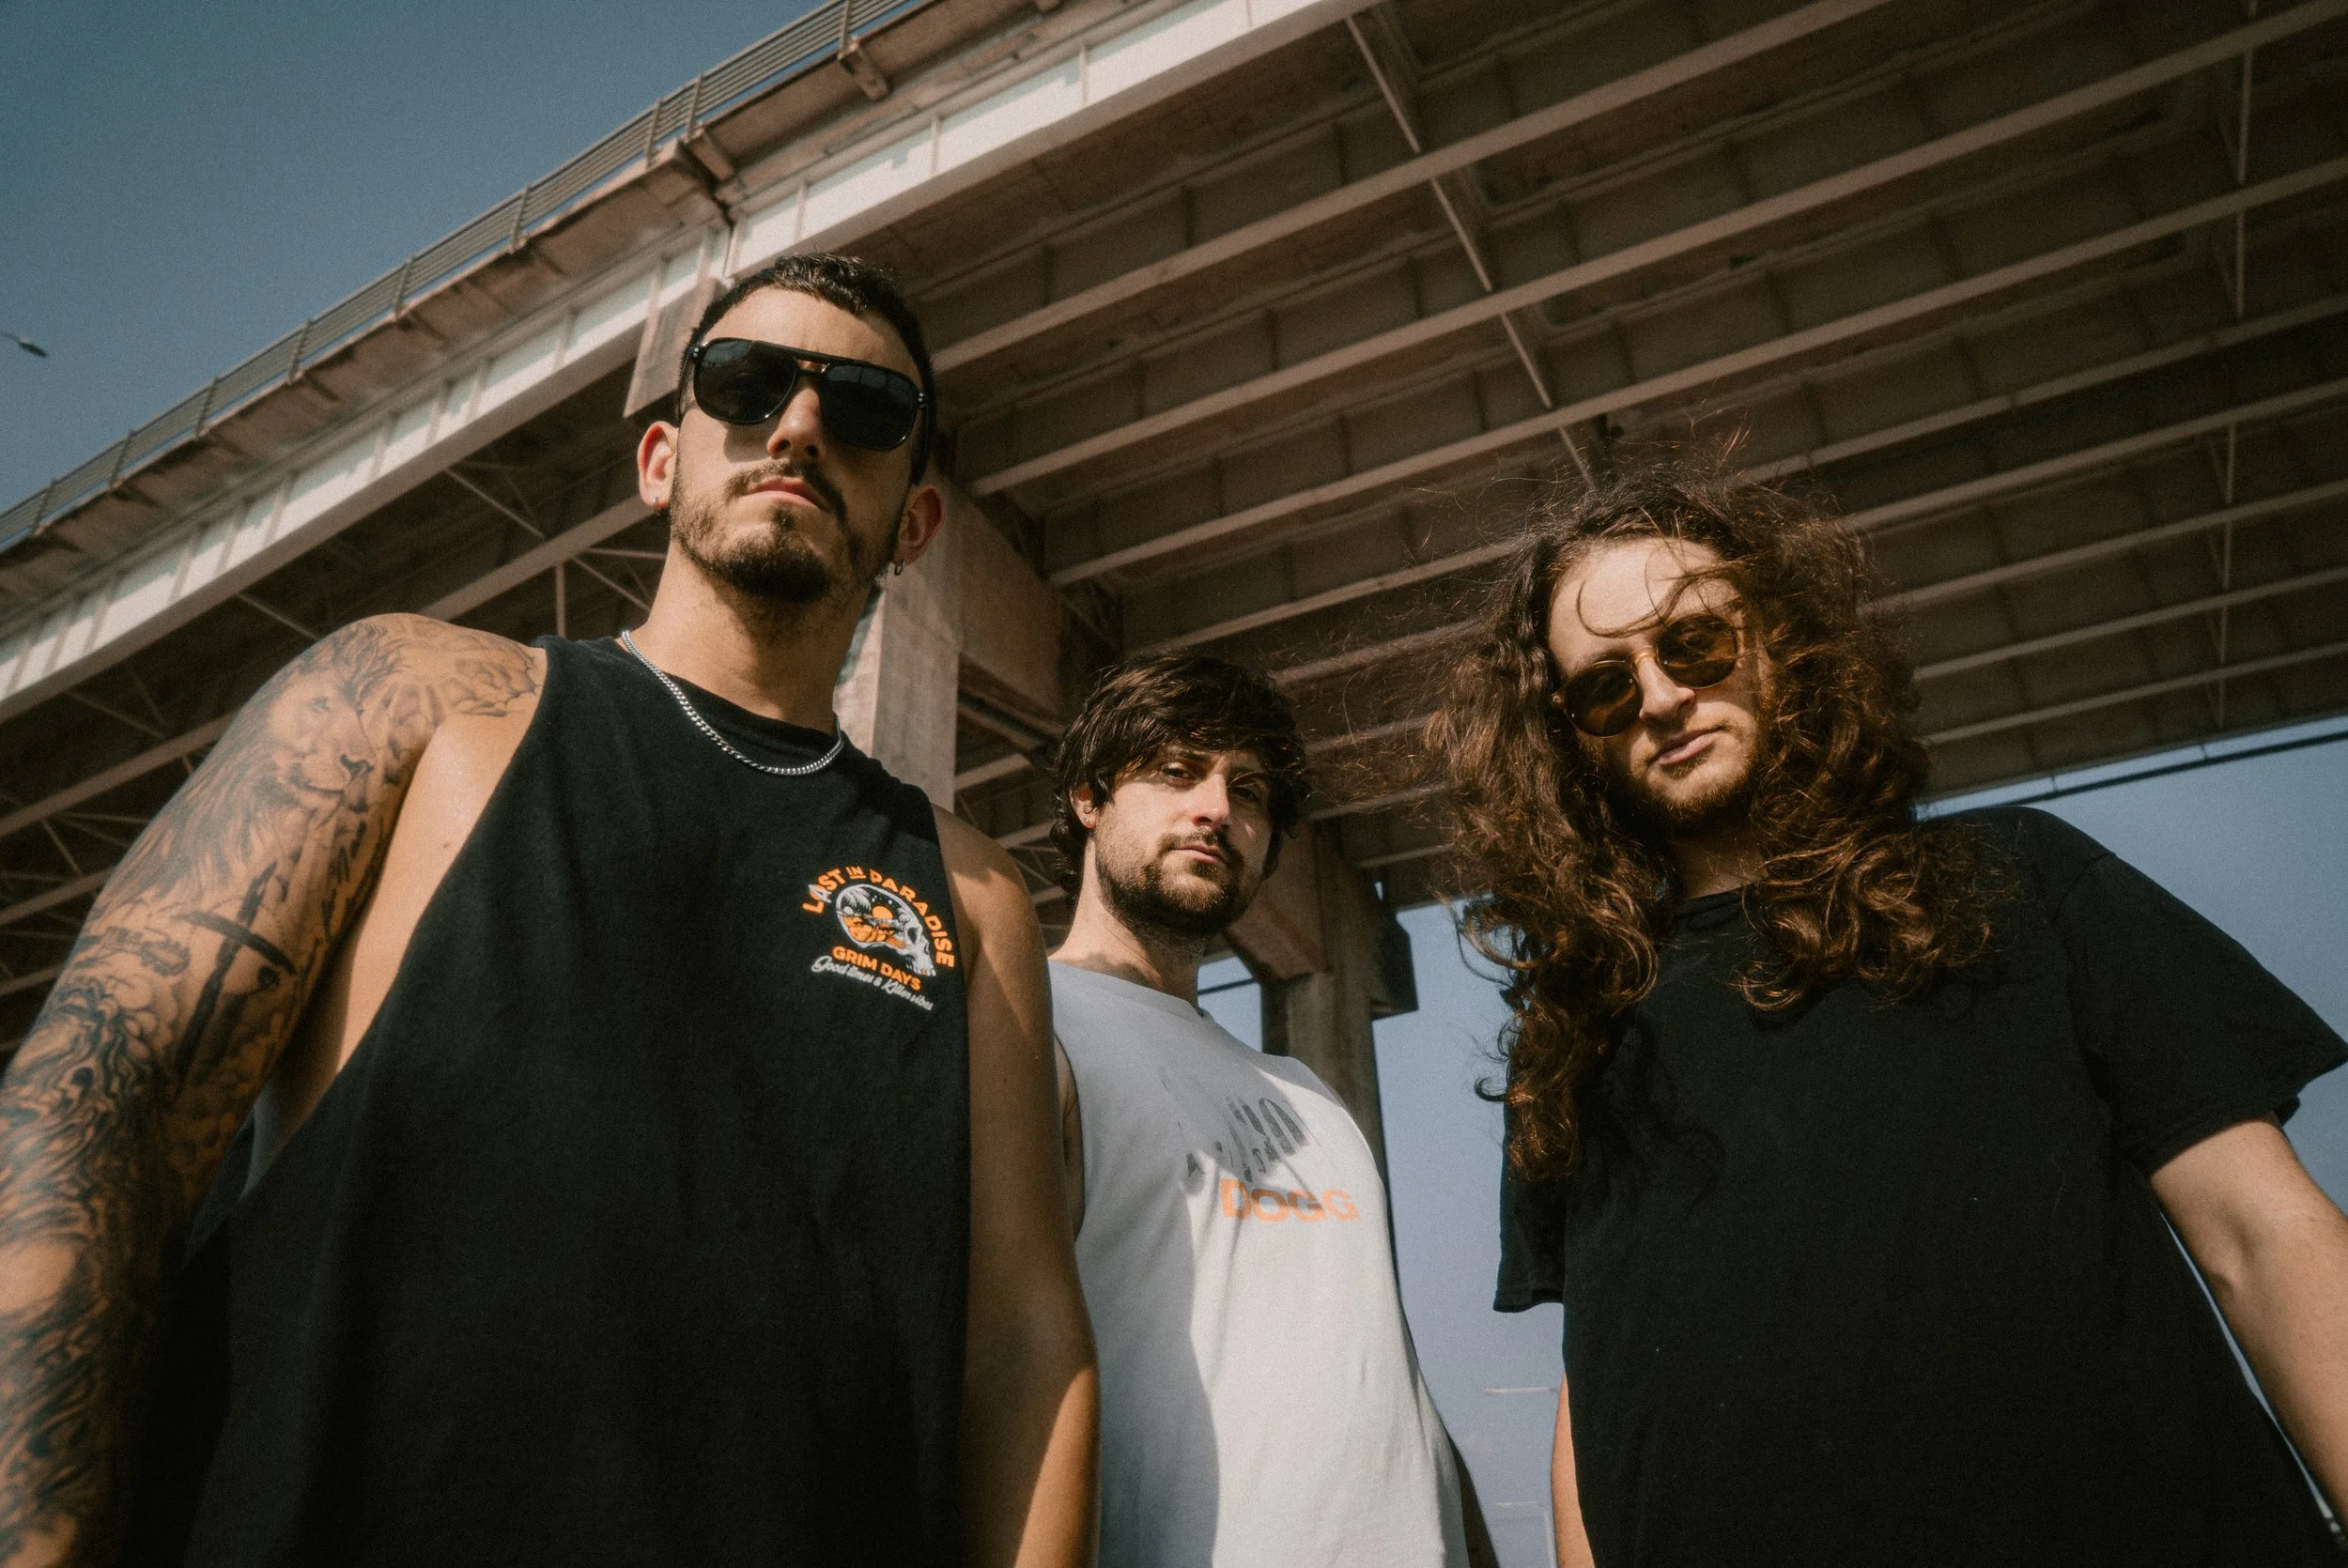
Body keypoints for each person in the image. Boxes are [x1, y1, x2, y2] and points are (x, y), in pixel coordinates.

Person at [0, 254, 1098, 1568]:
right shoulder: (412, 697)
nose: (800, 424)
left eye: (865, 407)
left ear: (915, 524)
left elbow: (1022, 1344)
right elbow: (100, 1104)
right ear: (659, 461)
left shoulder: (970, 895)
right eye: (746, 383)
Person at [1429, 457, 2348, 1567]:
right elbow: (1599, 1391)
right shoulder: (1575, 1031)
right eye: (1606, 688)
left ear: (1779, 643)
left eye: (1694, 643)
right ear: (1572, 738)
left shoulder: (2019, 880)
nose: (1662, 697)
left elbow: (2262, 1234)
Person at [1044, 653, 1473, 1568]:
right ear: (1087, 796)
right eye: (1176, 770)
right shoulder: (1026, 1027)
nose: (1215, 808)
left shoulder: (1311, 1096)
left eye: (1247, 790)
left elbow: (1396, 1385)